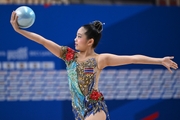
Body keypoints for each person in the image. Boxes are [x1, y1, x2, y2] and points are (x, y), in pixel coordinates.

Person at [10, 11, 178, 120]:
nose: (75, 39)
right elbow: (42, 40)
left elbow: (133, 58)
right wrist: (19, 31)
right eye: (75, 36)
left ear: (90, 41)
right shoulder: (69, 56)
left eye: (79, 36)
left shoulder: (100, 59)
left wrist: (159, 60)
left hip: (95, 109)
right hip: (78, 112)